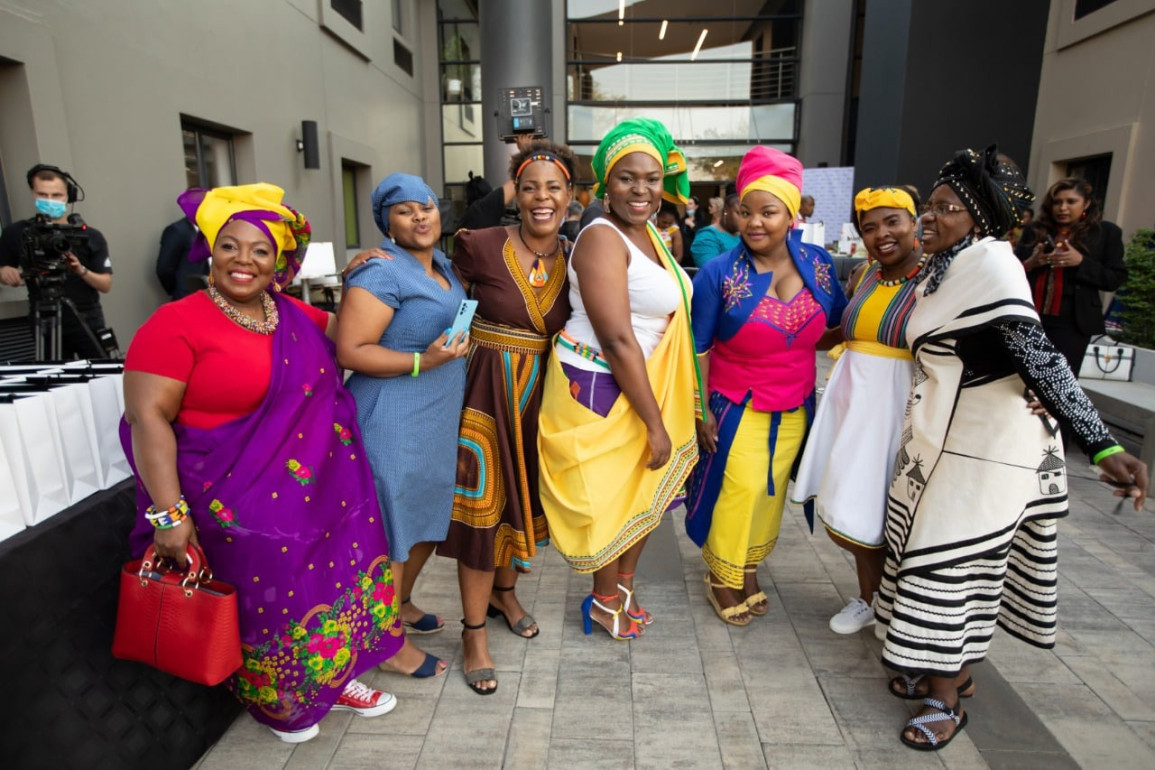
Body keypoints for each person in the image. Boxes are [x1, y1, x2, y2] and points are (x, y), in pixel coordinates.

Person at [874, 147, 1147, 751]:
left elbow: (1040, 357)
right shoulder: (948, 267)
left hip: (986, 445)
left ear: (980, 218)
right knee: (928, 553)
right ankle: (949, 670)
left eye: (946, 207)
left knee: (949, 563)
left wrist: (1102, 446)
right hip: (942, 439)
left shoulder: (991, 265)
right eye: (930, 204)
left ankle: (946, 699)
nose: (930, 216)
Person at [121, 184, 404, 744]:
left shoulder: (292, 314)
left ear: (279, 262)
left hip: (317, 494)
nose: (243, 260)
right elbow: (146, 418)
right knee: (271, 597)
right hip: (226, 498)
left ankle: (331, 678)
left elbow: (358, 337)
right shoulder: (174, 324)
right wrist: (169, 515)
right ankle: (282, 704)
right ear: (210, 251)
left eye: (260, 250)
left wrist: (364, 281)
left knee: (327, 583)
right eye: (230, 246)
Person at [538, 118, 701, 640]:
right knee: (609, 497)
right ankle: (603, 600)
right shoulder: (601, 239)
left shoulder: (650, 233)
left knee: (643, 491)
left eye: (651, 178)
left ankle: (622, 590)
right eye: (628, 178)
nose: (641, 189)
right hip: (598, 380)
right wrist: (656, 423)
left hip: (642, 379)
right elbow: (616, 339)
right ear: (607, 182)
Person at [435, 140, 576, 694]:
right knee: (481, 513)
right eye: (530, 186)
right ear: (515, 193)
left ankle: (505, 594)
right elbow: (445, 293)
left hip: (544, 398)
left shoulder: (577, 256)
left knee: (525, 501)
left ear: (569, 195)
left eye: (554, 187)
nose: (542, 198)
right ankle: (473, 633)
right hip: (484, 395)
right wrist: (383, 257)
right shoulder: (482, 243)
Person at [685, 147, 846, 627]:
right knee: (741, 489)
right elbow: (698, 348)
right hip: (736, 403)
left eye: (768, 212)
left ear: (791, 215)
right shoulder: (719, 273)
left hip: (796, 403)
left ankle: (749, 567)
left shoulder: (818, 264)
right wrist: (701, 410)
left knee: (771, 492)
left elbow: (838, 324)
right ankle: (722, 574)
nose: (754, 222)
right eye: (746, 211)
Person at [336, 173, 469, 678]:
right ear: (386, 223)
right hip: (391, 414)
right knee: (393, 524)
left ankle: (401, 602)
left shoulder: (443, 265)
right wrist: (422, 361)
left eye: (426, 206)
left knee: (426, 517)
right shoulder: (380, 272)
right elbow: (351, 350)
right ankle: (383, 640)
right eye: (404, 210)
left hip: (435, 415)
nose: (419, 217)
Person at [791, 187, 925, 635]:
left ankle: (889, 606)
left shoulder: (934, 280)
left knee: (872, 512)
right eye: (870, 227)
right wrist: (776, 335)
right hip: (850, 403)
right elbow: (841, 332)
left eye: (892, 222)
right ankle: (872, 600)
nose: (881, 234)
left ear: (914, 223)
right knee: (846, 506)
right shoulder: (866, 274)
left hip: (894, 408)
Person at [1015, 177, 1127, 375]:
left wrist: (1081, 262)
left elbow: (1114, 278)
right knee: (1019, 378)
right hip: (1030, 317)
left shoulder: (1105, 233)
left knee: (1060, 381)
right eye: (1057, 202)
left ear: (1086, 203)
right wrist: (1031, 263)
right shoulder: (1035, 230)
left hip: (1072, 324)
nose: (1063, 208)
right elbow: (1011, 271)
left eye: (1071, 201)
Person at [0, 164, 112, 359]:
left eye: (56, 195)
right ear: (33, 193)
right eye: (43, 195)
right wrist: (5, 272)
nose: (50, 200)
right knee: (53, 372)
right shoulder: (18, 233)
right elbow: (3, 269)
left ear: (68, 196)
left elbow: (105, 284)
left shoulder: (89, 235)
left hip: (86, 315)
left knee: (100, 369)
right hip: (43, 314)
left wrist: (80, 270)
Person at [155, 214, 208, 299]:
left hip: (209, 297)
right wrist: (178, 289)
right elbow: (164, 269)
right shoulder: (177, 230)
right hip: (186, 297)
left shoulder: (213, 231)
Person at [689, 194, 741, 268]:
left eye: (746, 214)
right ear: (726, 210)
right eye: (739, 213)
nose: (743, 218)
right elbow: (711, 270)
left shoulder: (744, 236)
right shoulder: (707, 236)